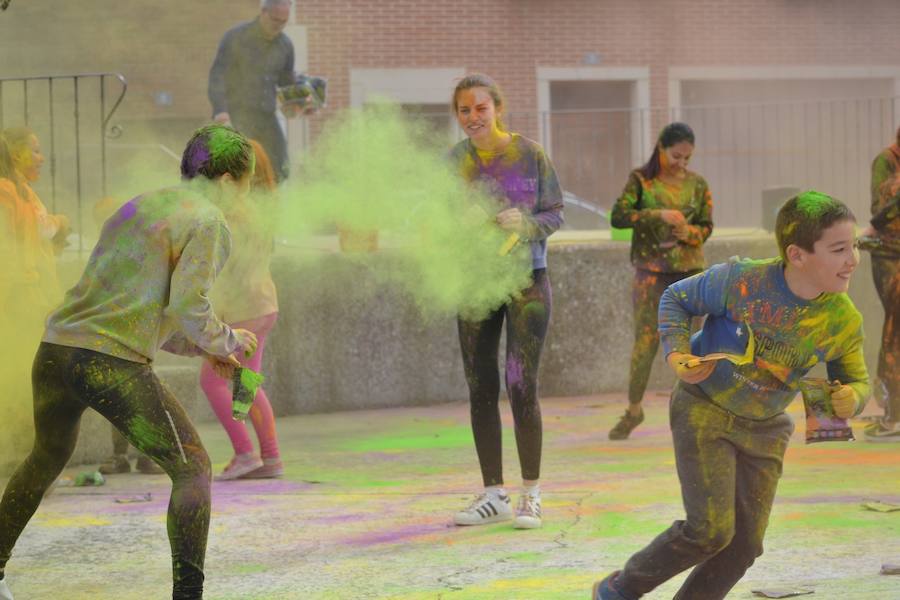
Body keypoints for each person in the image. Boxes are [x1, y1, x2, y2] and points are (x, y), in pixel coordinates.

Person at [0, 124, 259, 600]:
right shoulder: (210, 221)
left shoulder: (140, 205)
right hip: (108, 363)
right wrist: (225, 342)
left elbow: (137, 310)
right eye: (246, 185)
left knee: (43, 459)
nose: (245, 198)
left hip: (56, 351)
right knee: (193, 467)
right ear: (226, 181)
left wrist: (205, 347)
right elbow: (188, 306)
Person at [592, 191, 869, 600]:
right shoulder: (741, 280)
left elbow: (853, 381)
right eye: (839, 249)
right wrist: (677, 353)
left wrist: (851, 399)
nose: (853, 259)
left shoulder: (843, 320)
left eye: (855, 246)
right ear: (797, 254)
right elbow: (675, 298)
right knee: (709, 531)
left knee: (744, 546)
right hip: (704, 406)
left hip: (767, 426)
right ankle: (619, 589)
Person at [448, 74, 564, 530]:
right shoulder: (453, 162)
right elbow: (433, 219)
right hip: (475, 282)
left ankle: (530, 493)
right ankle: (492, 493)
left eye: (480, 108)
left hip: (526, 283)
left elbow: (555, 213)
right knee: (480, 386)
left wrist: (525, 223)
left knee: (521, 384)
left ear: (498, 107)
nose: (473, 118)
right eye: (463, 110)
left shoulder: (531, 153)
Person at [608, 122, 713, 440]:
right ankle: (634, 408)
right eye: (676, 156)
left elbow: (707, 226)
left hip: (690, 272)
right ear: (661, 148)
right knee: (646, 341)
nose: (681, 164)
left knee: (695, 343)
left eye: (687, 158)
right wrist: (658, 215)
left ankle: (697, 408)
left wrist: (690, 232)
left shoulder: (697, 184)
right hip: (651, 274)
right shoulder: (641, 180)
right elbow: (618, 216)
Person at [201, 139, 283, 480]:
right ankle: (268, 457)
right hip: (262, 304)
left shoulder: (234, 214)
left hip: (244, 308)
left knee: (215, 381)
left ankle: (247, 453)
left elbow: (223, 270)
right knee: (246, 382)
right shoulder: (259, 209)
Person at [208, 0, 295, 182]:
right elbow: (218, 76)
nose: (278, 26)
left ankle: (269, 208)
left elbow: (286, 82)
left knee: (281, 167)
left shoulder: (285, 46)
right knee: (240, 169)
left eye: (283, 22)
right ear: (263, 12)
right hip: (238, 115)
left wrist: (298, 102)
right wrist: (220, 110)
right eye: (275, 20)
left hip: (267, 117)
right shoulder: (235, 37)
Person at [1, 127, 70, 321]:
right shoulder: (7, 190)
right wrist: (60, 223)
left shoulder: (19, 189)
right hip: (17, 294)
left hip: (27, 290)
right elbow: (39, 228)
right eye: (36, 151)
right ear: (15, 156)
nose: (42, 159)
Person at [861, 125, 900, 441]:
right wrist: (874, 227)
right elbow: (882, 209)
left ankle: (894, 416)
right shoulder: (886, 162)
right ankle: (893, 414)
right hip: (889, 254)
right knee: (895, 329)